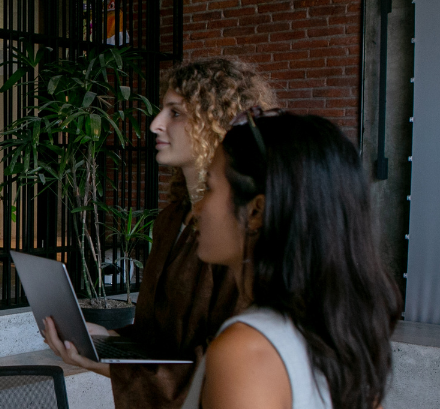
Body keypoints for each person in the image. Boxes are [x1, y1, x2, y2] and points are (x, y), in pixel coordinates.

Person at [40, 57, 278, 407]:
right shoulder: (171, 219)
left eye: (175, 113)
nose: (155, 124)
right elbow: (159, 335)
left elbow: (221, 371)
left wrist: (104, 364)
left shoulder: (238, 235)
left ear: (216, 122)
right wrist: (109, 338)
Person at [183, 110, 400, 408]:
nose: (196, 210)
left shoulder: (247, 351)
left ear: (256, 211)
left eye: (209, 187)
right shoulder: (342, 337)